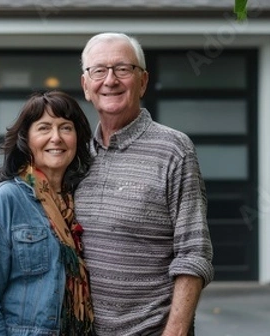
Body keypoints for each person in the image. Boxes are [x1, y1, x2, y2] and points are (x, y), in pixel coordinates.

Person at [74, 32, 214, 336]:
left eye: (123, 69)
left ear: (143, 81)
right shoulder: (76, 155)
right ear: (86, 86)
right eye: (99, 70)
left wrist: (174, 331)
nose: (110, 80)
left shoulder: (175, 149)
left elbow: (194, 252)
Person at [0, 90, 94, 335]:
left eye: (66, 128)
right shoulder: (5, 200)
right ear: (26, 139)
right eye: (44, 128)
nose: (56, 138)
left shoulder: (81, 200)